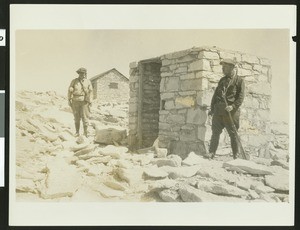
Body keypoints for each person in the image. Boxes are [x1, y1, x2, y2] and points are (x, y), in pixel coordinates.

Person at [204, 58, 245, 159]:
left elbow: (240, 97)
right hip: (218, 110)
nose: (223, 69)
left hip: (231, 112)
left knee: (233, 134)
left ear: (232, 68)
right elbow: (216, 94)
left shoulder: (239, 81)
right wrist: (212, 108)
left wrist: (233, 106)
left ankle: (236, 155)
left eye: (225, 67)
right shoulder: (222, 80)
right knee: (215, 133)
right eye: (222, 67)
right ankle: (211, 153)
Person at [68, 67, 93, 137]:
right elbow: (69, 90)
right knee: (76, 117)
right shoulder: (74, 81)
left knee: (85, 117)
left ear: (85, 74)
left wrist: (90, 100)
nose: (82, 74)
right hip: (75, 100)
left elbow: (91, 92)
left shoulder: (88, 81)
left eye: (83, 73)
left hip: (84, 101)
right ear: (78, 73)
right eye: (80, 73)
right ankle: (77, 132)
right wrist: (69, 99)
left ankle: (85, 133)